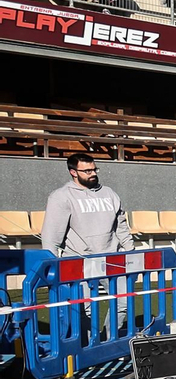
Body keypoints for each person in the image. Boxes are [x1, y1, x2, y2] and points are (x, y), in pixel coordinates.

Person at [41, 154, 134, 366]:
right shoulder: (61, 197)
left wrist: (131, 250)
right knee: (84, 308)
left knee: (123, 300)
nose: (92, 174)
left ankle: (111, 342)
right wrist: (53, 265)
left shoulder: (109, 193)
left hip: (111, 259)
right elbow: (51, 235)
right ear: (73, 172)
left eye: (94, 169)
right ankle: (89, 347)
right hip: (78, 263)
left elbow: (121, 225)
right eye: (87, 171)